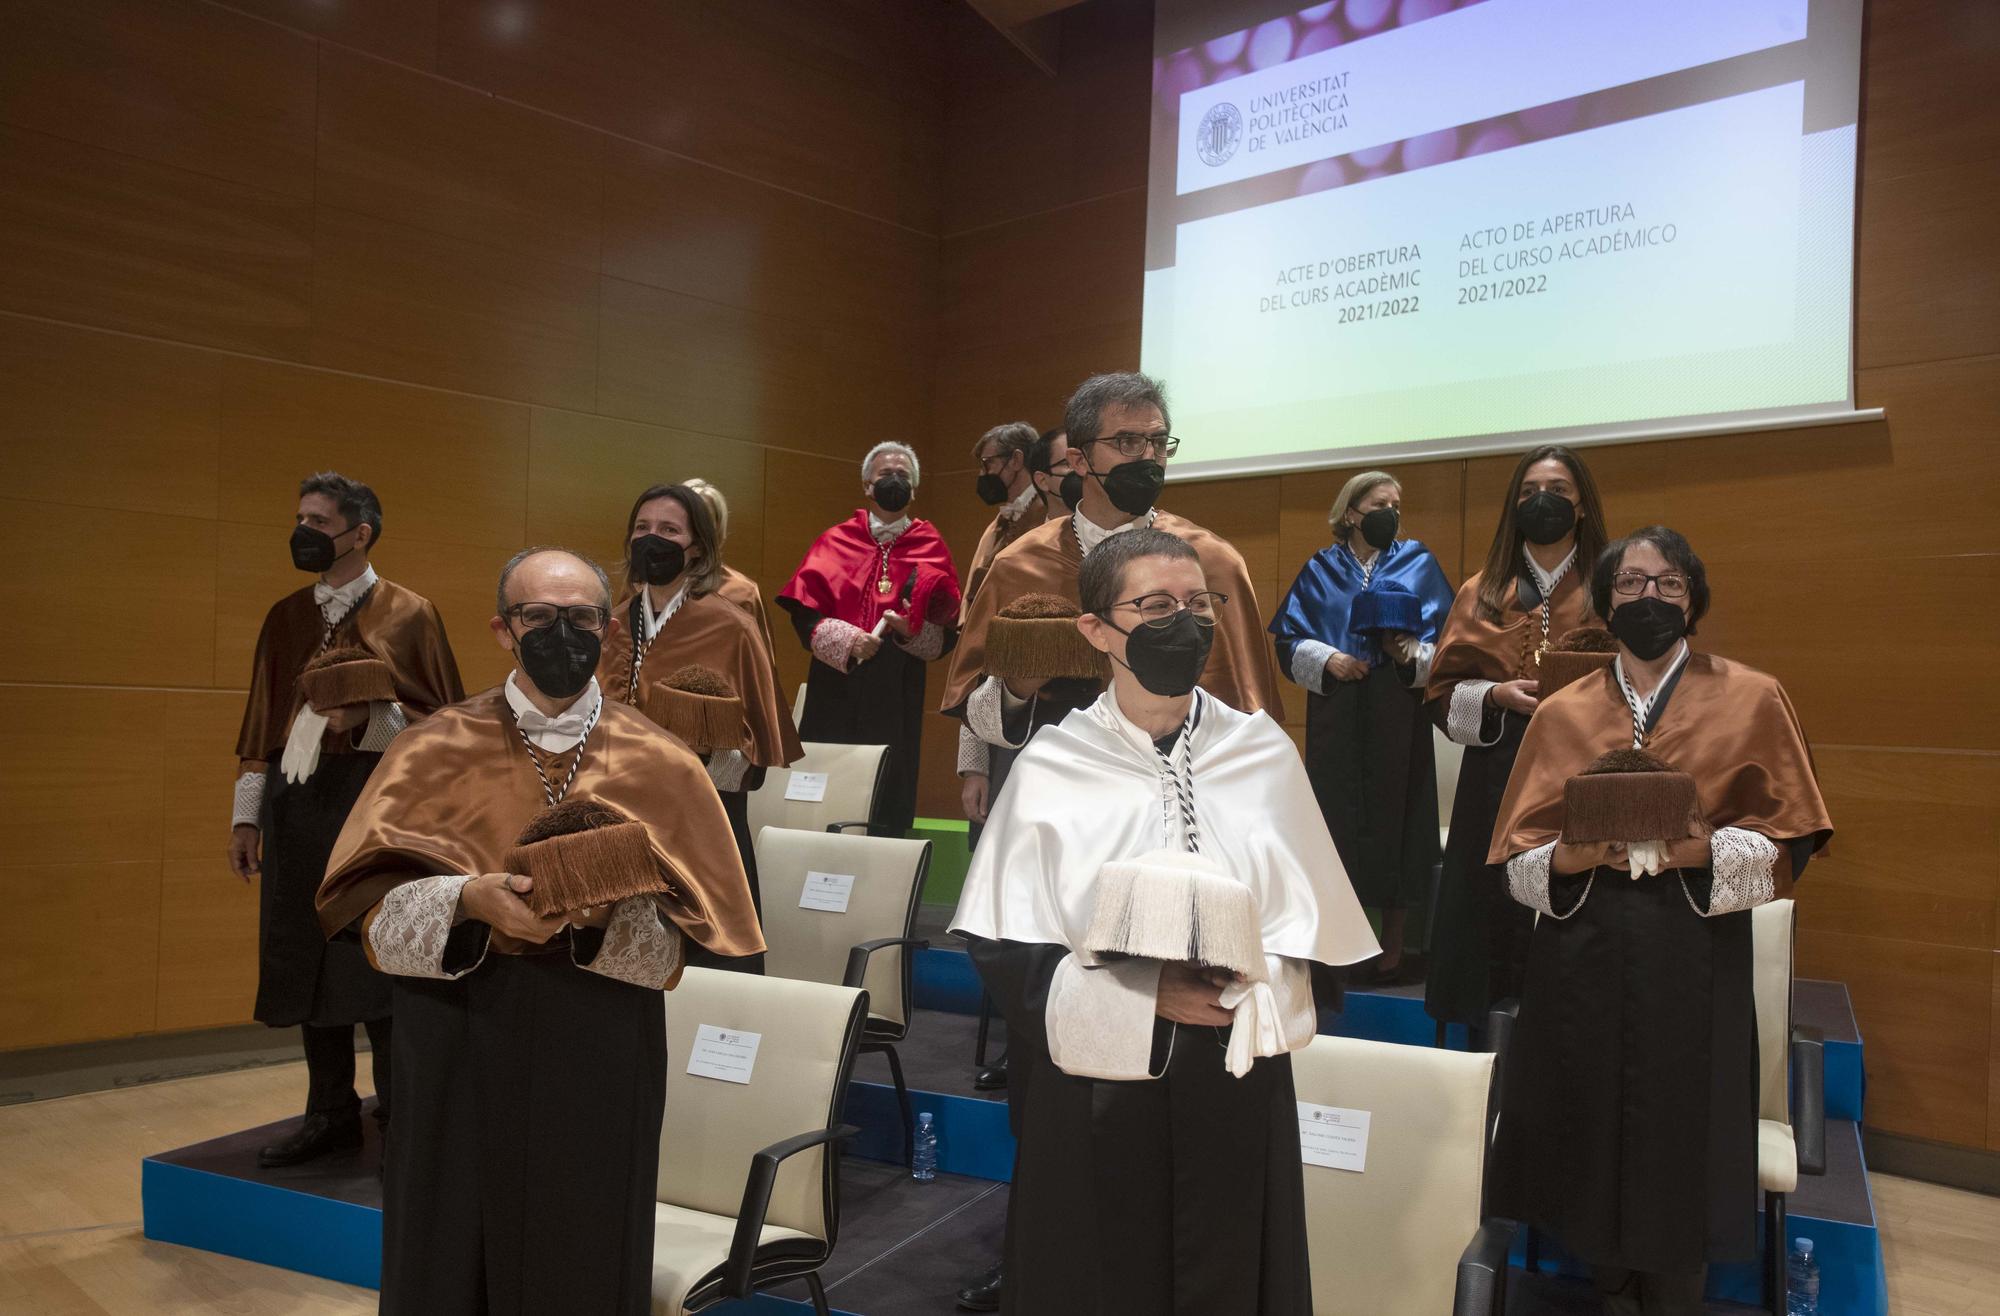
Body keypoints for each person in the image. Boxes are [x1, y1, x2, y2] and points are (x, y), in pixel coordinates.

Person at [318, 547, 763, 1316]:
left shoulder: (662, 761)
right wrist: (467, 900)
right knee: (448, 1242)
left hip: (598, 1037)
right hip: (458, 1030)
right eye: (539, 617)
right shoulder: (430, 748)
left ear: (608, 625)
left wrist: (601, 917)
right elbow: (376, 925)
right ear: (502, 629)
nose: (564, 633)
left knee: (586, 1242)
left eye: (582, 617)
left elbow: (680, 949)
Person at [952, 528, 1378, 1315]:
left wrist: (1251, 985)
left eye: (1197, 605)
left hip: (1233, 1074)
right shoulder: (1052, 764)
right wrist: (1142, 994)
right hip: (1092, 1094)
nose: (1183, 623)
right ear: (1095, 630)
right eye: (1154, 605)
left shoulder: (1262, 753)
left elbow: (1314, 932)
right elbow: (1002, 947)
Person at [942, 374, 1283, 1314]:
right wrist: (1021, 685)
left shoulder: (1207, 559)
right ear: (1078, 455)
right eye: (1126, 443)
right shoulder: (1018, 563)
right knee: (1049, 1055)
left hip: (1190, 811)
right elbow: (970, 695)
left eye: (1158, 443)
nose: (1143, 458)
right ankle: (1046, 1243)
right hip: (1059, 805)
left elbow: (1252, 707)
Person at [1487, 527, 1832, 1315]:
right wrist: (1576, 855)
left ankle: (1678, 1298)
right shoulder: (1563, 712)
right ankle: (1607, 1290)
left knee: (1685, 1140)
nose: (1649, 598)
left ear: (1695, 600)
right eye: (1632, 583)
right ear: (1607, 600)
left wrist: (1696, 851)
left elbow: (1791, 844)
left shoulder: (1752, 696)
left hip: (1693, 953)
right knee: (1588, 1139)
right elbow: (1517, 863)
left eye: (1669, 585)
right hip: (1582, 955)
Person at [227, 472, 462, 1168]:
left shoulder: (410, 614)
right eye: (299, 516)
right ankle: (328, 1111)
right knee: (305, 956)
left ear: (360, 533)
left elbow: (442, 723)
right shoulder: (285, 616)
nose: (304, 531)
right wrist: (247, 818)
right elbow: (260, 724)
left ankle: (402, 1113)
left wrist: (365, 718)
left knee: (376, 955)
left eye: (319, 520)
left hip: (376, 801)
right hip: (297, 805)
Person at [1423, 445, 1605, 1036]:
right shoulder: (1483, 590)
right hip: (1497, 768)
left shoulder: (1611, 584)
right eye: (1529, 492)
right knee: (1488, 908)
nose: (1543, 501)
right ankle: (1484, 1046)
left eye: (1557, 488)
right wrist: (1496, 697)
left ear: (1580, 505)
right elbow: (1442, 694)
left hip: (1587, 772)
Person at [1270, 471, 1453, 981]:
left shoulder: (1418, 561)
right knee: (1335, 819)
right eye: (1378, 503)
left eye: (1396, 504)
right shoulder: (1320, 569)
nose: (1389, 512)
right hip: (1339, 710)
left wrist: (1407, 653)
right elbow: (1288, 638)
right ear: (1350, 513)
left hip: (1398, 707)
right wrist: (1328, 659)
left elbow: (1448, 642)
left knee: (1400, 819)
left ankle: (1393, 945)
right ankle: (1333, 940)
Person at [597, 483, 800, 923]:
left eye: (670, 529)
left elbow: (751, 749)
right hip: (622, 817)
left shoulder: (731, 626)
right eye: (642, 527)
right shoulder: (614, 620)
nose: (653, 538)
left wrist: (685, 762)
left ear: (696, 548)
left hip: (702, 819)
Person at [777, 442, 962, 836]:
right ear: (866, 485)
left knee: (887, 787)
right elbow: (804, 615)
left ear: (913, 490)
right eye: (884, 475)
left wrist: (912, 633)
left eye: (902, 476)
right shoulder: (835, 539)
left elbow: (945, 631)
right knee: (827, 789)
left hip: (896, 688)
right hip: (836, 685)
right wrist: (848, 641)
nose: (893, 481)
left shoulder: (931, 546)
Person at [961, 421, 1048, 619]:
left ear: (1016, 460)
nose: (982, 474)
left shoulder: (1048, 513)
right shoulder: (1000, 522)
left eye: (987, 463)